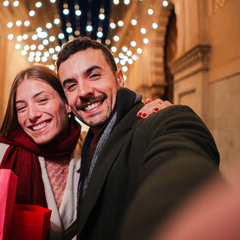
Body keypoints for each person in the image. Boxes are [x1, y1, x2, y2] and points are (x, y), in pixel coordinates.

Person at [0, 65, 168, 239]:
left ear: (67, 104)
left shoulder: (91, 147)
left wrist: (156, 117)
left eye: (42, 100)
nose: (32, 115)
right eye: (21, 107)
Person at [56, 37, 220, 240]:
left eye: (94, 75)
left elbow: (183, 172)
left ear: (120, 78)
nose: (83, 91)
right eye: (71, 86)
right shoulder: (85, 143)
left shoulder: (161, 119)